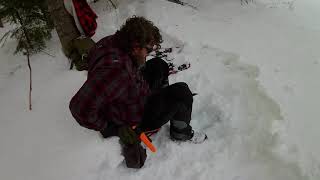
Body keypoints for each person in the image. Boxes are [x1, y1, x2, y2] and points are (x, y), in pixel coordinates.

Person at [69, 16, 207, 169]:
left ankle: (165, 100)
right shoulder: (116, 71)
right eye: (147, 49)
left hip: (130, 93)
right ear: (135, 46)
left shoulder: (110, 42)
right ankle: (181, 133)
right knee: (182, 93)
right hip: (135, 118)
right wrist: (112, 128)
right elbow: (79, 108)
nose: (148, 53)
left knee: (158, 65)